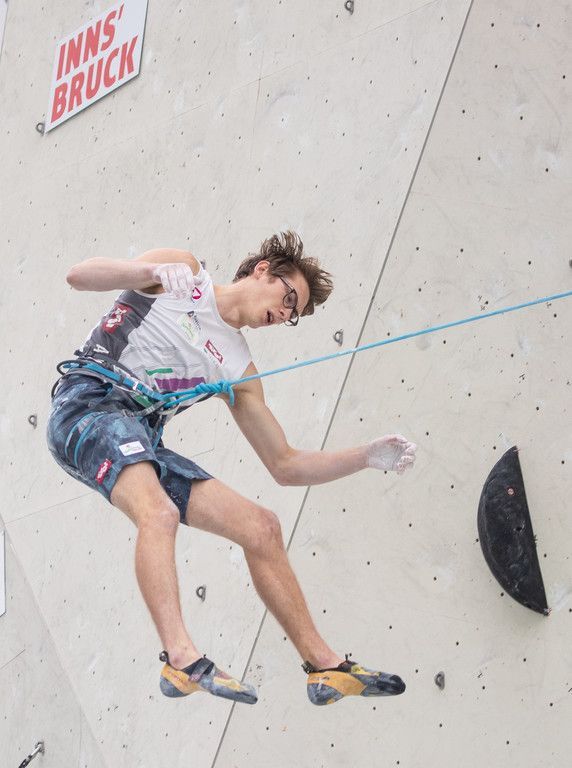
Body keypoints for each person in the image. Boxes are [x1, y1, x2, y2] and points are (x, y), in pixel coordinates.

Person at [46, 230, 417, 707]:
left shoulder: (239, 370)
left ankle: (325, 668)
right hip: (87, 406)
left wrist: (365, 456)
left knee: (262, 528)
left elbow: (284, 464)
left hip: (139, 436)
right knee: (158, 512)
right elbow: (78, 276)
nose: (284, 314)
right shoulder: (185, 275)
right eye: (288, 298)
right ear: (262, 269)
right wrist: (148, 272)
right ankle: (181, 659)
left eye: (293, 315)